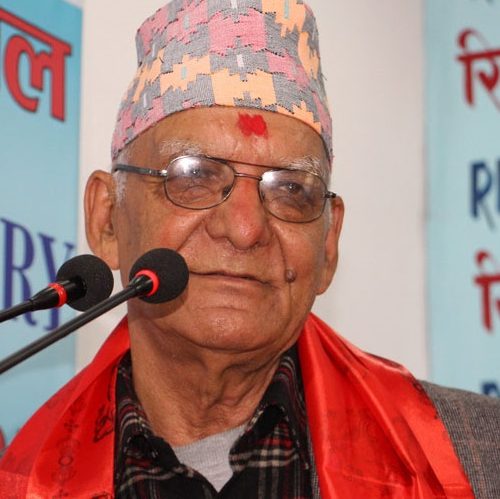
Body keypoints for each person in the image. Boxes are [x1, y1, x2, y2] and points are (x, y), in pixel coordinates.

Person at [1, 1, 499, 497]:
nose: (244, 229)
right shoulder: (22, 481)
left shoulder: (477, 456)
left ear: (328, 244)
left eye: (291, 190)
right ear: (107, 218)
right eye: (194, 176)